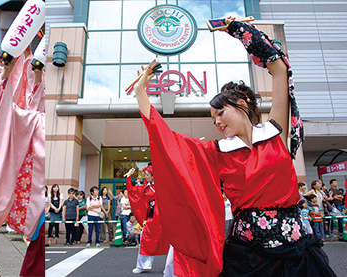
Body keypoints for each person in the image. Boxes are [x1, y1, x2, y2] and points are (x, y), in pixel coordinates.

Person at [131, 17, 335, 276]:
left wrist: (239, 30)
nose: (216, 122)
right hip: (248, 255)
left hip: (297, 249)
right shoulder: (217, 152)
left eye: (219, 113)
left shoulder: (275, 132)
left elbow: (279, 68)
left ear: (242, 102)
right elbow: (168, 141)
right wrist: (141, 93)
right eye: (212, 118)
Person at [125, 167, 173, 276]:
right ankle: (142, 265)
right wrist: (128, 177)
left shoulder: (164, 185)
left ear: (153, 176)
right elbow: (133, 191)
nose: (145, 176)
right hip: (153, 219)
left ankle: (170, 268)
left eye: (147, 174)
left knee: (172, 243)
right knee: (145, 238)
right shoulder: (147, 187)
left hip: (166, 217)